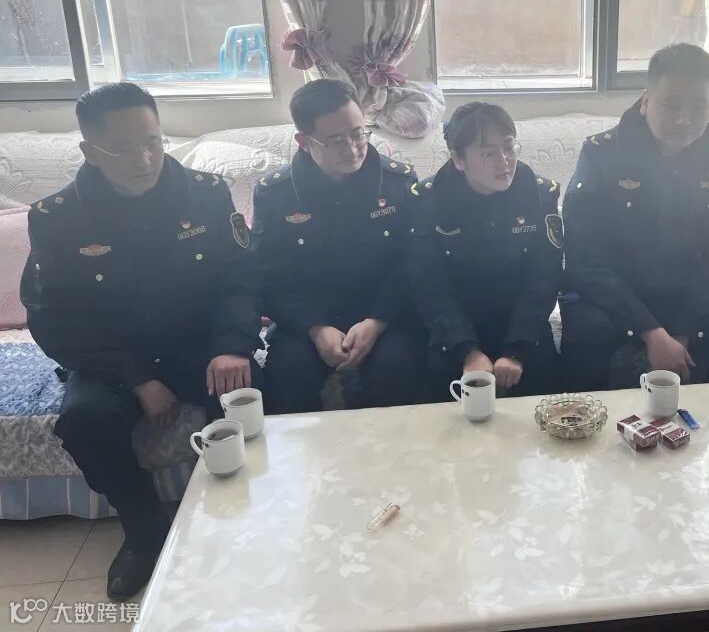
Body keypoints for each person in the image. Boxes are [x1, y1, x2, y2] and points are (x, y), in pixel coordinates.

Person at [20, 83, 264, 601]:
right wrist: (137, 379)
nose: (145, 159)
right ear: (90, 151)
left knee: (258, 393)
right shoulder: (57, 218)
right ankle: (144, 530)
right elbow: (52, 318)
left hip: (198, 344)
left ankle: (258, 507)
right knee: (84, 420)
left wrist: (232, 345)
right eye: (125, 148)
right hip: (111, 357)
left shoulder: (205, 193)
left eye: (153, 142)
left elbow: (241, 279)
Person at [560, 43, 709, 391]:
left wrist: (684, 332)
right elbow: (584, 260)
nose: (683, 120)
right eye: (672, 105)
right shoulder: (602, 155)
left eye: (698, 108)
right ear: (646, 100)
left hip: (683, 301)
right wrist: (651, 332)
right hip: (613, 299)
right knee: (589, 331)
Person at [252, 79, 426, 411]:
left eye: (358, 133)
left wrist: (378, 321)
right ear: (305, 142)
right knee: (288, 377)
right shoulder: (275, 195)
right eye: (335, 140)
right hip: (305, 324)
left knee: (398, 370)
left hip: (385, 319)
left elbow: (413, 264)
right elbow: (268, 276)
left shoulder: (399, 184)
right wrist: (315, 328)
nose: (352, 148)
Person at [409, 102, 561, 398]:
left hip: (522, 326)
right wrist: (466, 350)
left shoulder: (539, 194)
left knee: (545, 406)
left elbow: (545, 277)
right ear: (458, 159)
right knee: (442, 406)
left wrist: (516, 350)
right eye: (488, 153)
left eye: (509, 147)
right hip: (455, 328)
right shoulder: (429, 201)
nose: (504, 161)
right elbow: (428, 284)